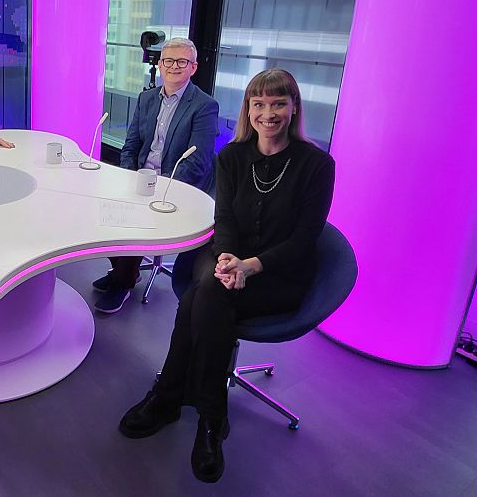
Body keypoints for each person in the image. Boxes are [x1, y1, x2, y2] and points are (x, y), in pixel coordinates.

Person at [117, 68, 334, 483]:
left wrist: (250, 266)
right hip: (231, 263)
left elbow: (305, 240)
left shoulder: (316, 165)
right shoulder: (232, 157)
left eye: (278, 104)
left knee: (203, 295)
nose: (268, 114)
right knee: (208, 291)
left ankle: (174, 401)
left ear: (293, 108)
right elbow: (226, 218)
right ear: (248, 110)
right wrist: (230, 258)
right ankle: (211, 421)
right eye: (259, 104)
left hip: (279, 275)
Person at [92, 37, 218, 313]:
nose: (174, 66)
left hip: (176, 184)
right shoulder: (146, 98)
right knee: (102, 211)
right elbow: (132, 144)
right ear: (160, 64)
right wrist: (126, 177)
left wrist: (162, 189)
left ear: (193, 67)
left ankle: (123, 282)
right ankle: (125, 271)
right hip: (140, 178)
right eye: (168, 61)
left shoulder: (204, 106)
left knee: (136, 220)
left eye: (182, 62)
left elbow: (197, 160)